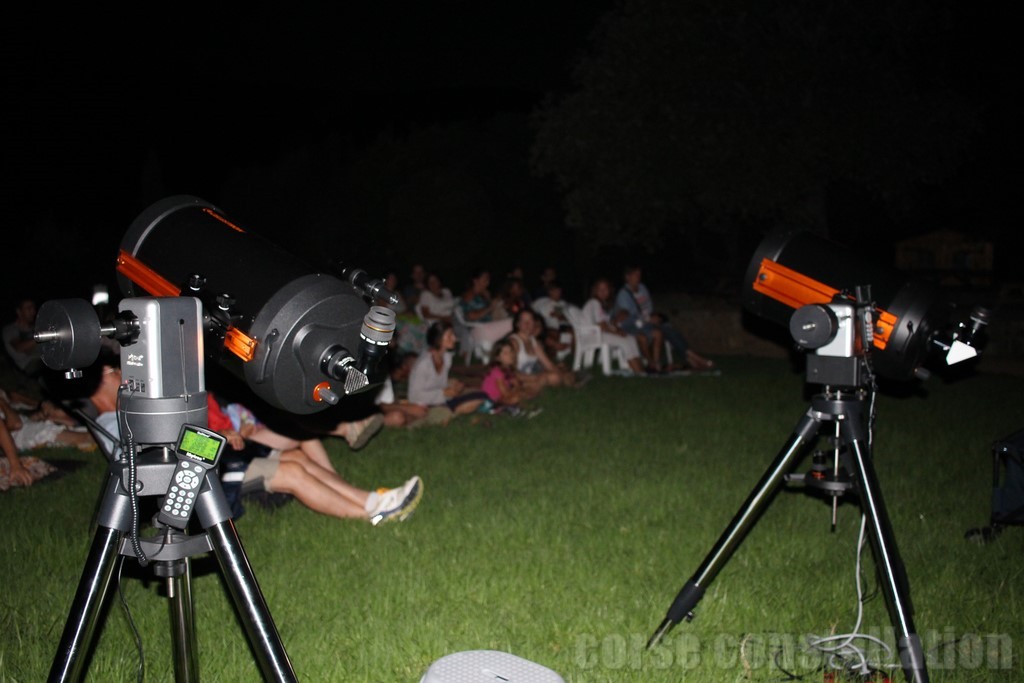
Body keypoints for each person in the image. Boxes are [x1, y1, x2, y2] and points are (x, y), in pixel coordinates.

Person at [84, 359, 422, 525]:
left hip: (208, 464)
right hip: (197, 482)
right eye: (114, 371)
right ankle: (372, 513)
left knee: (298, 460)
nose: (123, 376)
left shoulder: (122, 416)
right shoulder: (113, 423)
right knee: (292, 473)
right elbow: (156, 464)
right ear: (100, 384)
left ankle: (373, 501)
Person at [614, 265, 714, 371]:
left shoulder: (642, 288)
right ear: (627, 277)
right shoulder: (623, 294)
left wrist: (652, 317)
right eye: (635, 275)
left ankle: (688, 357)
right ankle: (691, 357)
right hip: (636, 325)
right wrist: (648, 319)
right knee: (662, 331)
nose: (638, 277)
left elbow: (649, 307)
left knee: (669, 330)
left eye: (639, 274)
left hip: (646, 322)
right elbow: (629, 317)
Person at [407, 321, 489, 419]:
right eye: (450, 335)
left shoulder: (446, 358)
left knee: (482, 395)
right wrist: (444, 393)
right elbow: (414, 396)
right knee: (475, 400)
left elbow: (440, 385)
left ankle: (452, 410)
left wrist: (454, 386)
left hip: (443, 400)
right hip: (424, 406)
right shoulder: (424, 364)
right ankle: (451, 412)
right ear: (438, 339)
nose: (454, 338)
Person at [580, 278, 649, 376]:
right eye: (600, 289)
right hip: (592, 335)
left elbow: (607, 324)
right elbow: (602, 325)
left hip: (600, 333)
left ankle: (641, 370)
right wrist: (617, 332)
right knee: (624, 341)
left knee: (631, 338)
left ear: (609, 291)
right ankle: (639, 373)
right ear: (595, 290)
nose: (603, 292)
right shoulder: (594, 303)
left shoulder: (602, 305)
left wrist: (618, 327)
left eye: (605, 289)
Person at [506, 308, 576, 394]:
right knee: (550, 377)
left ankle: (565, 379)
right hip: (518, 380)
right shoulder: (514, 342)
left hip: (533, 374)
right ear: (518, 324)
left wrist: (560, 373)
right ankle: (525, 392)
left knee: (557, 374)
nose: (527, 324)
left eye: (530, 320)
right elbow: (510, 371)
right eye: (524, 321)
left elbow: (548, 364)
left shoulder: (532, 340)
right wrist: (535, 377)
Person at [481, 338, 539, 410]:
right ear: (498, 358)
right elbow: (506, 393)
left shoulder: (508, 368)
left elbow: (517, 384)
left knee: (529, 391)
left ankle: (523, 406)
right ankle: (523, 408)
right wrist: (518, 390)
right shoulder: (497, 371)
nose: (510, 355)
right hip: (492, 400)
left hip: (503, 395)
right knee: (516, 398)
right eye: (506, 353)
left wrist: (519, 388)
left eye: (511, 351)